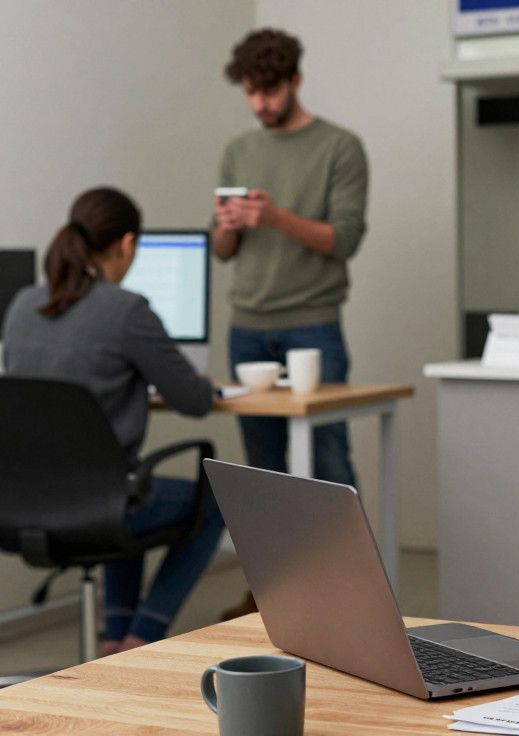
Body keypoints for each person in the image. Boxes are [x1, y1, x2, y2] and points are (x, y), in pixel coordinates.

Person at [2, 187, 223, 654]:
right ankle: (142, 635)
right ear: (126, 244)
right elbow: (192, 400)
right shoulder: (126, 310)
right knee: (213, 500)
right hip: (101, 502)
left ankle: (111, 639)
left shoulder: (22, 305)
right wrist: (203, 384)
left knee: (123, 479)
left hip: (22, 503)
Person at [212, 28, 368, 485]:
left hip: (313, 325)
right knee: (263, 472)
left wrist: (276, 217)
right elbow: (222, 252)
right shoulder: (237, 151)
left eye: (271, 91)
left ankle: (344, 561)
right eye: (251, 93)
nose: (260, 103)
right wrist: (228, 225)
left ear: (296, 81)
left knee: (327, 463)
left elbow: (345, 239)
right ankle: (278, 561)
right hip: (246, 329)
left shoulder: (340, 147)